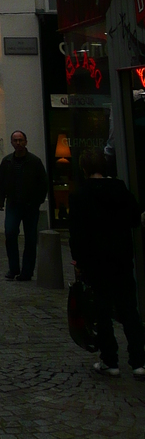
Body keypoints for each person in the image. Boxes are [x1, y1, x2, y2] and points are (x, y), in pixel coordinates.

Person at [69, 148, 145, 378]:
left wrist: (78, 260)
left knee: (101, 309)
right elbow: (134, 219)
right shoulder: (120, 189)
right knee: (129, 309)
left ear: (84, 169)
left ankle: (109, 360)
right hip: (121, 256)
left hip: (95, 259)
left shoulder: (80, 195)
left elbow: (77, 232)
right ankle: (138, 361)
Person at [0, 130, 48, 281]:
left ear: (25, 142)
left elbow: (43, 183)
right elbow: (0, 182)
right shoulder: (7, 161)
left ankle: (27, 271)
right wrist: (0, 200)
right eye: (15, 140)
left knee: (30, 239)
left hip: (30, 205)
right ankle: (13, 268)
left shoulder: (34, 161)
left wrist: (38, 200)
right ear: (11, 143)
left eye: (20, 140)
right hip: (13, 204)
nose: (18, 143)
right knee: (10, 234)